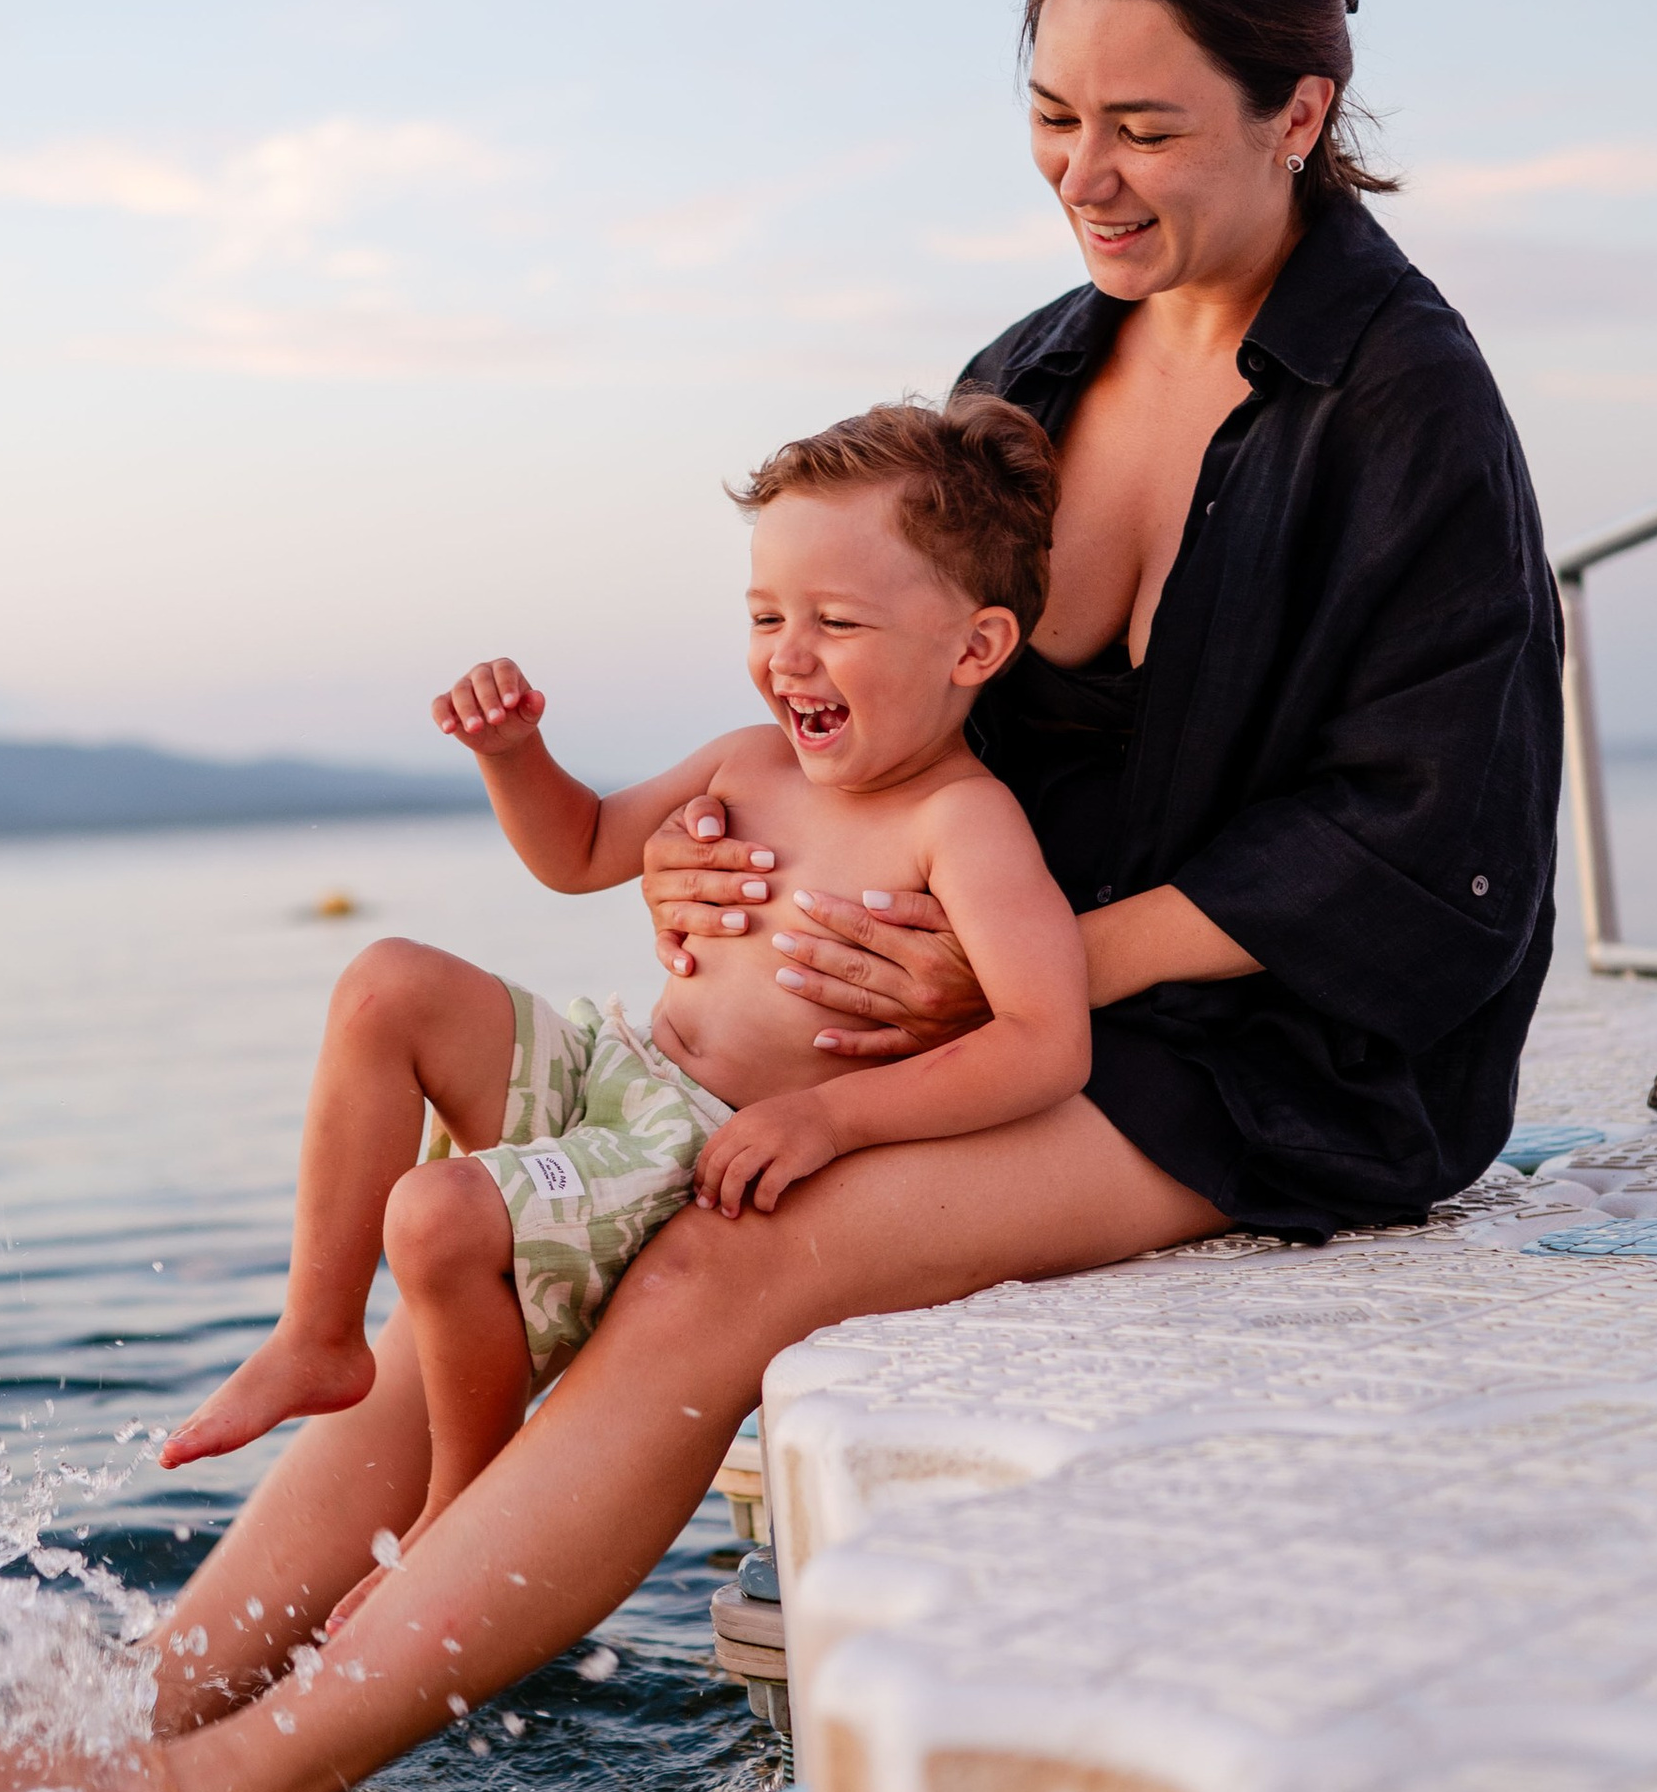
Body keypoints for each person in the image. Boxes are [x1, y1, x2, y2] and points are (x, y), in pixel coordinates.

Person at [0, 0, 1564, 1792]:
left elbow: (1421, 847)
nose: (1080, 179)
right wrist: (730, 865)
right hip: (970, 1005)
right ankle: (125, 1714)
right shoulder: (1027, 371)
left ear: (1299, 113)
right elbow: (902, 719)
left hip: (1261, 1054)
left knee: (715, 1264)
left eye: (1140, 129)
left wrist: (978, 981)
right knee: (499, 1235)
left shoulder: (1405, 406)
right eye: (1044, 119)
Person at [156, 397, 1086, 1586]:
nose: (786, 655)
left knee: (437, 1215)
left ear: (975, 647)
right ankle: (317, 1334)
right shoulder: (748, 759)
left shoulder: (961, 824)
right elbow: (580, 849)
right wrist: (514, 756)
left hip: (687, 1151)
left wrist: (826, 1116)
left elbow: (1044, 1040)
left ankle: (465, 1495)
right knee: (382, 982)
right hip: (616, 1067)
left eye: (835, 621)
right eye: (764, 615)